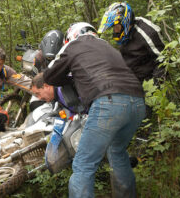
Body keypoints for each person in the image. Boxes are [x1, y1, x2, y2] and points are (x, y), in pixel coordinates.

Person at [42, 22, 146, 197]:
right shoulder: (108, 47)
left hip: (109, 102)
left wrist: (68, 70)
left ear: (72, 36)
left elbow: (50, 75)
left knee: (83, 164)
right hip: (137, 103)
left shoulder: (74, 45)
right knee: (117, 152)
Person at [98, 2, 166, 83]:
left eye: (116, 27)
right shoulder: (125, 35)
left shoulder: (147, 32)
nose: (115, 30)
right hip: (131, 81)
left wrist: (155, 88)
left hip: (148, 83)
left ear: (125, 22)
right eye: (114, 27)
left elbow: (163, 60)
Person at [30, 30, 64, 111]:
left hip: (59, 88)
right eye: (48, 58)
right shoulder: (38, 58)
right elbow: (35, 81)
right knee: (34, 105)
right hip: (44, 88)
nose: (50, 60)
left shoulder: (66, 54)